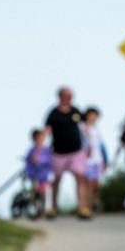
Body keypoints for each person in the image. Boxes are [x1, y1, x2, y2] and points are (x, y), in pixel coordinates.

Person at [34, 86, 91, 220]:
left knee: (80, 177)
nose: (70, 98)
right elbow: (46, 132)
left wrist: (90, 147)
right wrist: (38, 152)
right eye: (68, 96)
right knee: (57, 180)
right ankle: (53, 208)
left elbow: (86, 127)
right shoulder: (53, 113)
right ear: (60, 97)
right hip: (59, 153)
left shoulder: (75, 111)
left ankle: (82, 208)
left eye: (71, 96)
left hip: (76, 151)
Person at [82, 107, 107, 213]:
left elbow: (101, 146)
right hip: (86, 161)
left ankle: (93, 202)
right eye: (91, 115)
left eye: (95, 116)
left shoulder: (96, 129)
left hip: (97, 160)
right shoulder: (81, 127)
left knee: (96, 184)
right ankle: (86, 207)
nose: (93, 118)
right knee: (88, 184)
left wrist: (105, 159)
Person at [24, 128, 52, 208]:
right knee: (35, 190)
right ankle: (33, 206)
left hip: (43, 176)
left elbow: (49, 162)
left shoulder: (46, 151)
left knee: (43, 192)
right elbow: (28, 162)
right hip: (34, 176)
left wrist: (41, 162)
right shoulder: (31, 150)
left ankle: (42, 209)